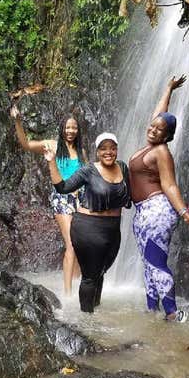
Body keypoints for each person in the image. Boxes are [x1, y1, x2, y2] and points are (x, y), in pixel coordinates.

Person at [129, 75, 189, 322]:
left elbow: (170, 185)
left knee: (156, 263)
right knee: (148, 265)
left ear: (166, 136)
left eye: (159, 130)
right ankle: (152, 311)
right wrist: (168, 88)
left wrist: (184, 212)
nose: (152, 130)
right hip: (143, 212)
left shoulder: (161, 152)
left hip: (157, 210)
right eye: (152, 126)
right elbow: (160, 114)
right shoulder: (151, 143)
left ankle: (173, 314)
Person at [45, 133, 131, 313]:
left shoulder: (123, 167)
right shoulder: (89, 170)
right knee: (90, 276)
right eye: (104, 148)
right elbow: (63, 188)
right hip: (88, 228)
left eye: (112, 148)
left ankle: (95, 310)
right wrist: (51, 162)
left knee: (100, 272)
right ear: (97, 151)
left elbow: (130, 196)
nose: (109, 152)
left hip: (113, 230)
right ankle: (86, 319)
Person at [9, 104, 85, 297]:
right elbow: (25, 144)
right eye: (67, 127)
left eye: (74, 127)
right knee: (72, 243)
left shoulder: (81, 152)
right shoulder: (52, 144)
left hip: (80, 199)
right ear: (62, 128)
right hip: (61, 198)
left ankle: (76, 285)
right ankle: (68, 295)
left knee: (81, 244)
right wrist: (18, 121)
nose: (71, 131)